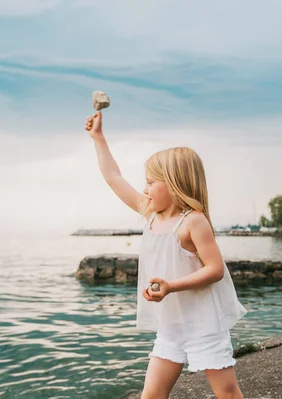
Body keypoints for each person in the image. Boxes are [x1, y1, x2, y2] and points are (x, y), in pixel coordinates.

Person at [85, 111, 247, 399]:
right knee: (151, 395)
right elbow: (113, 177)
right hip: (171, 326)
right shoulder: (150, 213)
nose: (145, 189)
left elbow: (215, 269)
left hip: (204, 324)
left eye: (150, 182)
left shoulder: (193, 221)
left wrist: (171, 286)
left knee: (227, 393)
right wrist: (98, 137)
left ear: (174, 184)